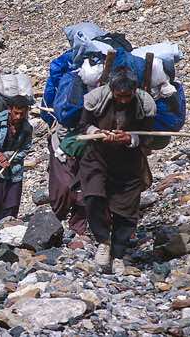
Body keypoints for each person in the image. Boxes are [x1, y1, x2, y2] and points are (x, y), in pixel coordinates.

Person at [77, 66, 156, 275]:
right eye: (119, 96)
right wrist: (98, 132)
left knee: (126, 211)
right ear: (111, 90)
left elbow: (149, 136)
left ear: (135, 91)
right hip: (97, 158)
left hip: (128, 163)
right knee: (93, 196)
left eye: (127, 96)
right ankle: (103, 241)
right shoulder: (95, 99)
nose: (123, 100)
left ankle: (119, 254)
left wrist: (131, 138)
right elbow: (83, 125)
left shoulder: (146, 104)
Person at [0, 96, 34, 224]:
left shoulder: (27, 128)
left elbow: (25, 148)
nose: (18, 117)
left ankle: (8, 228)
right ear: (10, 109)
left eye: (22, 114)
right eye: (16, 113)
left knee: (12, 203)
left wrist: (10, 158)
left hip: (14, 169)